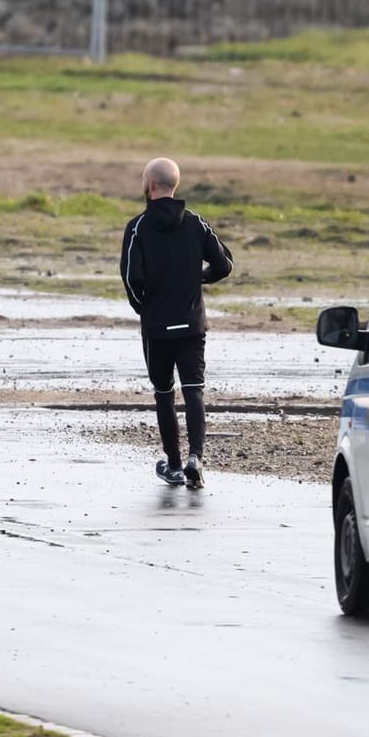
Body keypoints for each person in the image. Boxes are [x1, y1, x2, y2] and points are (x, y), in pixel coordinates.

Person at [120, 157, 232, 489]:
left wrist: (145, 310)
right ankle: (195, 458)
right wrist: (197, 279)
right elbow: (224, 265)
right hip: (192, 323)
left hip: (157, 327)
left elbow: (130, 278)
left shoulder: (137, 227)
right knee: (194, 390)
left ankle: (173, 464)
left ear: (150, 185)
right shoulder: (196, 223)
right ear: (175, 185)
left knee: (164, 393)